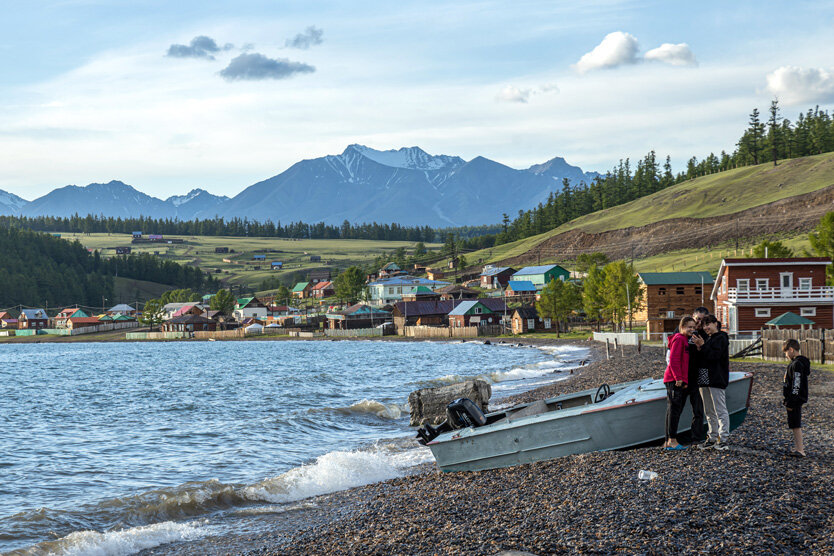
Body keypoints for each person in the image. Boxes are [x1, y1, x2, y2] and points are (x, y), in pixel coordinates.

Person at [696, 315, 730, 450]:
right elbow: (704, 356)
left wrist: (703, 346)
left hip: (716, 378)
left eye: (708, 324)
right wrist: (700, 347)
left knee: (720, 409)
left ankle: (724, 438)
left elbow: (714, 356)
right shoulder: (708, 338)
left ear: (716, 323)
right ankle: (712, 437)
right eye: (704, 325)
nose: (706, 327)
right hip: (704, 377)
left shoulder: (721, 338)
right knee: (709, 410)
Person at [663, 316, 696, 450]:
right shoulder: (679, 339)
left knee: (673, 410)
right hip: (673, 380)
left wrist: (685, 381)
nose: (692, 330)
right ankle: (672, 441)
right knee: (674, 410)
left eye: (693, 327)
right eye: (689, 327)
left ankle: (667, 441)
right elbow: (674, 360)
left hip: (679, 380)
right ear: (682, 327)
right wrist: (678, 378)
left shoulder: (685, 340)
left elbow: (684, 363)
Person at [783, 339, 810, 457]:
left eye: (786, 352)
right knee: (794, 424)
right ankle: (798, 447)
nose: (786, 355)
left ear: (791, 350)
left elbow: (796, 384)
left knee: (796, 424)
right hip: (794, 399)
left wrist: (791, 401)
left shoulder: (797, 364)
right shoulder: (797, 363)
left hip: (795, 400)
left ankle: (800, 449)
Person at [687, 307, 709, 443]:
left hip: (700, 374)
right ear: (693, 317)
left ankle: (696, 437)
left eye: (702, 319)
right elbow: (671, 355)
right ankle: (672, 437)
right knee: (677, 406)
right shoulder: (682, 331)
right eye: (697, 319)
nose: (699, 322)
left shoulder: (707, 334)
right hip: (684, 374)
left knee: (699, 408)